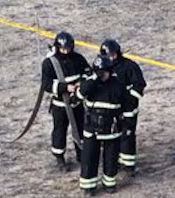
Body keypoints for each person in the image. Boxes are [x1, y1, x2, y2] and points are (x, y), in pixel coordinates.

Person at [77, 55, 128, 194]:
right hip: (92, 128)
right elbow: (79, 95)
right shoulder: (90, 84)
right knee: (89, 158)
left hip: (111, 128)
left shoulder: (117, 85)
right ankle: (89, 186)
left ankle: (109, 183)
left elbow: (126, 105)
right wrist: (92, 80)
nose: (101, 75)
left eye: (104, 72)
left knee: (111, 158)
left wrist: (126, 125)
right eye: (99, 72)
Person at [41, 31, 89, 171]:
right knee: (59, 131)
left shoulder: (79, 59)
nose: (66, 51)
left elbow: (88, 73)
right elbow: (47, 84)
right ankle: (59, 157)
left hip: (77, 103)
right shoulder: (50, 63)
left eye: (68, 48)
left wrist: (81, 84)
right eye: (63, 49)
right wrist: (65, 87)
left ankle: (81, 154)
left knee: (80, 129)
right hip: (60, 105)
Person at [100, 39, 146, 175]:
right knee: (114, 136)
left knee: (128, 135)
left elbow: (139, 86)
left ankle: (128, 165)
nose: (112, 58)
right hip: (112, 110)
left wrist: (128, 100)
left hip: (128, 110)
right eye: (109, 56)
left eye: (114, 54)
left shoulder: (129, 66)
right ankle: (116, 160)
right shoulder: (103, 68)